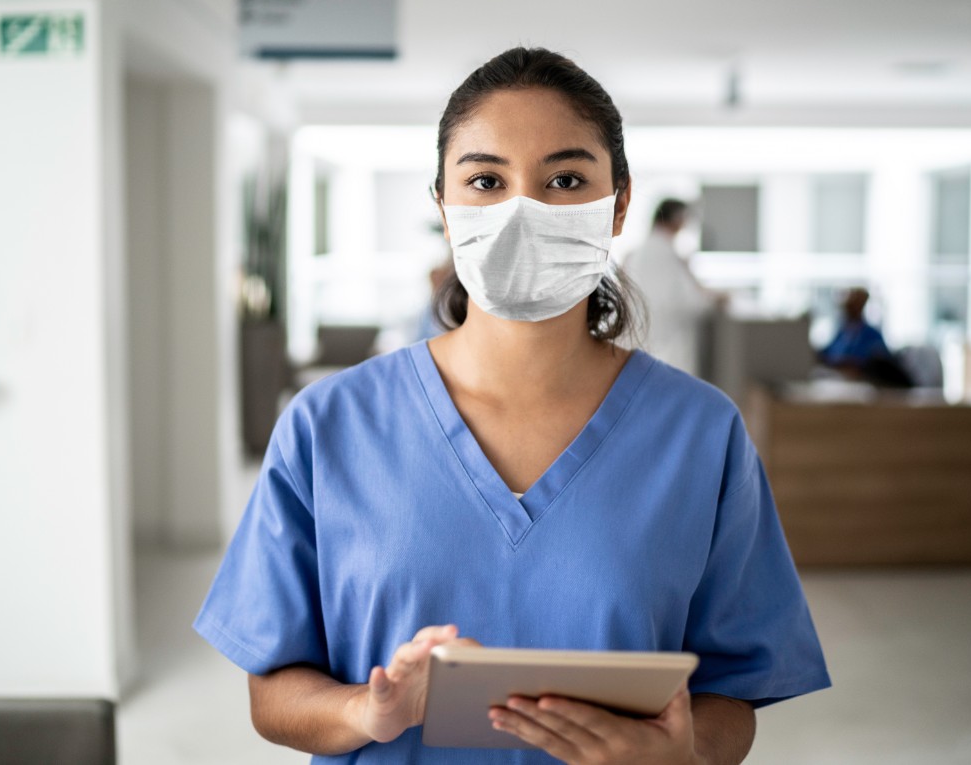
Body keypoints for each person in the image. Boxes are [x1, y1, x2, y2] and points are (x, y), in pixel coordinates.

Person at [193, 47, 830, 764]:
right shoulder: (329, 425)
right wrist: (365, 710)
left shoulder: (700, 434)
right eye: (487, 180)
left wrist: (680, 754)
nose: (522, 210)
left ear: (618, 203)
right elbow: (272, 692)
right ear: (443, 206)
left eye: (564, 179)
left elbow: (731, 697)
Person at [622, 199, 722, 378]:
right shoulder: (668, 255)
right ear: (677, 219)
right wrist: (715, 299)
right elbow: (690, 303)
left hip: (638, 350)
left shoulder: (635, 254)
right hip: (668, 351)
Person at [817, 287, 912, 388]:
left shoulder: (872, 335)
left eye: (855, 303)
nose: (849, 307)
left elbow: (880, 364)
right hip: (837, 382)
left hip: (863, 386)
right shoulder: (841, 332)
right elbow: (826, 354)